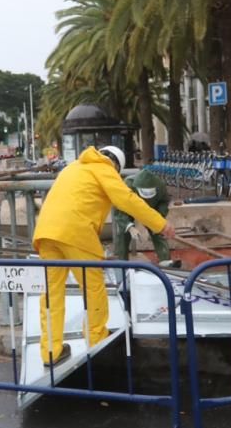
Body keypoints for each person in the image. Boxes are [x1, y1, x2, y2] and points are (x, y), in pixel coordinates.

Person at [33, 145, 176, 366]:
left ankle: (51, 352)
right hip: (76, 233)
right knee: (93, 289)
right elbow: (126, 199)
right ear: (116, 165)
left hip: (46, 232)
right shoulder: (104, 168)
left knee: (52, 294)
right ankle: (96, 342)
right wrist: (160, 224)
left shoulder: (73, 168)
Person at [112, 168, 180, 268]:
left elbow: (164, 202)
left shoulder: (160, 186)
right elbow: (118, 210)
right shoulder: (127, 186)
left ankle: (165, 261)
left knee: (159, 230)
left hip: (151, 210)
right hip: (130, 208)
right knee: (123, 234)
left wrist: (159, 218)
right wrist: (129, 227)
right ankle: (122, 263)